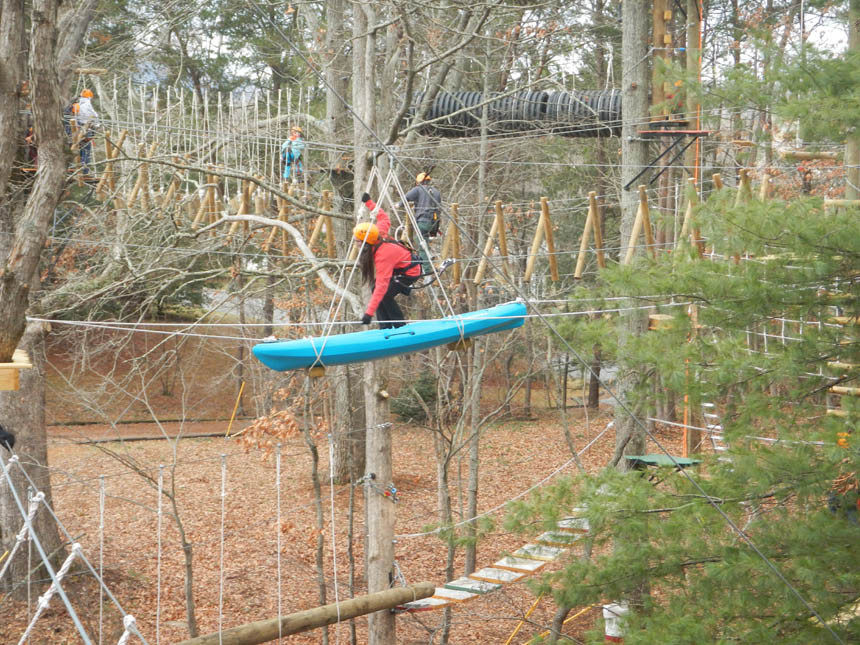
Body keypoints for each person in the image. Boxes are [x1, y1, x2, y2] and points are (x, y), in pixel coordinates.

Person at [355, 192, 421, 329]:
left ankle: (400, 326)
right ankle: (384, 327)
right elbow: (383, 218)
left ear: (366, 243)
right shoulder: (377, 233)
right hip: (398, 267)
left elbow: (382, 286)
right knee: (375, 289)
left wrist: (368, 313)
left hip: (410, 272)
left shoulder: (383, 255)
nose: (356, 244)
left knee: (384, 294)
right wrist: (369, 203)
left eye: (358, 242)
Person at [402, 172, 442, 272]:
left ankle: (426, 268)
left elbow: (405, 198)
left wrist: (397, 205)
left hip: (423, 221)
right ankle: (429, 256)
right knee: (425, 240)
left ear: (418, 182)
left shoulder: (418, 189)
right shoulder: (436, 191)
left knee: (421, 242)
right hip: (434, 223)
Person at [73, 89, 99, 176]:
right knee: (86, 150)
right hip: (86, 128)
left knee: (79, 149)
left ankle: (78, 169)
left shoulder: (78, 105)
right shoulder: (87, 105)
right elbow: (93, 117)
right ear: (89, 97)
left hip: (78, 128)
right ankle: (84, 171)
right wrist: (97, 125)